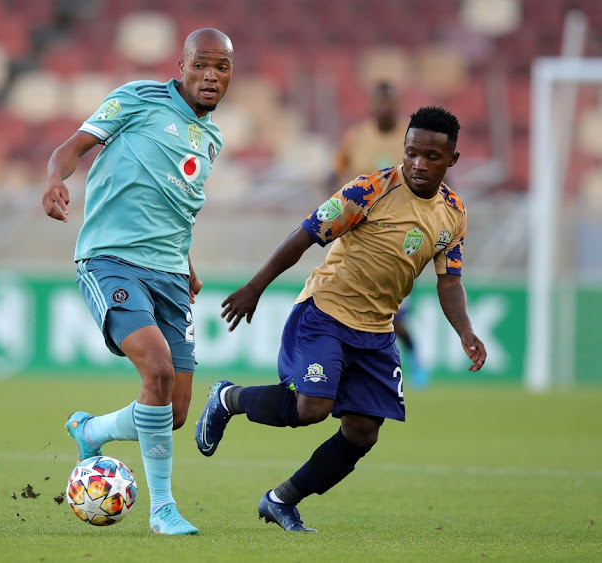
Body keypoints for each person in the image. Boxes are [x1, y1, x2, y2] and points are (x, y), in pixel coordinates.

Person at [195, 107, 487, 532]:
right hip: (326, 313)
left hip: (377, 330)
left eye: (432, 156)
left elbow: (449, 282)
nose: (419, 164)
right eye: (411, 153)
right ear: (402, 150)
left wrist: (465, 330)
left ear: (452, 160)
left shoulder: (453, 214)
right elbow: (304, 236)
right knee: (313, 407)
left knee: (363, 432)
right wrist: (255, 287)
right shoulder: (369, 190)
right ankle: (228, 399)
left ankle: (281, 500)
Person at [41, 28, 234, 536]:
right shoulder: (138, 99)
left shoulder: (211, 139)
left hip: (170, 272)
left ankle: (91, 430)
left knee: (172, 412)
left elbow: (177, 207)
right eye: (202, 65)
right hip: (111, 260)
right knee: (158, 371)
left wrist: (187, 265)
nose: (211, 76)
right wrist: (55, 179)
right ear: (182, 65)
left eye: (222, 68)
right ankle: (163, 510)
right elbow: (71, 146)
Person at [333, 80, 429, 388]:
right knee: (349, 307)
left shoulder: (412, 139)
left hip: (402, 240)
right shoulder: (356, 138)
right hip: (360, 240)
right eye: (380, 102)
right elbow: (335, 173)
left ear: (398, 105)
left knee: (395, 317)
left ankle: (413, 358)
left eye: (390, 102)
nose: (385, 108)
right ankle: (352, 369)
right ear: (371, 105)